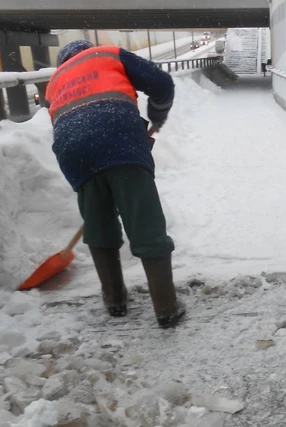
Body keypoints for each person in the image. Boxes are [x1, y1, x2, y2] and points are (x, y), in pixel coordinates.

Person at [45, 40, 185, 328]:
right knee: (144, 222)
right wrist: (156, 117)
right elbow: (161, 83)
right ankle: (166, 307)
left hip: (73, 151)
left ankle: (115, 300)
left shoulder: (55, 80)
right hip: (119, 135)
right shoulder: (106, 53)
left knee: (99, 223)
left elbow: (69, 121)